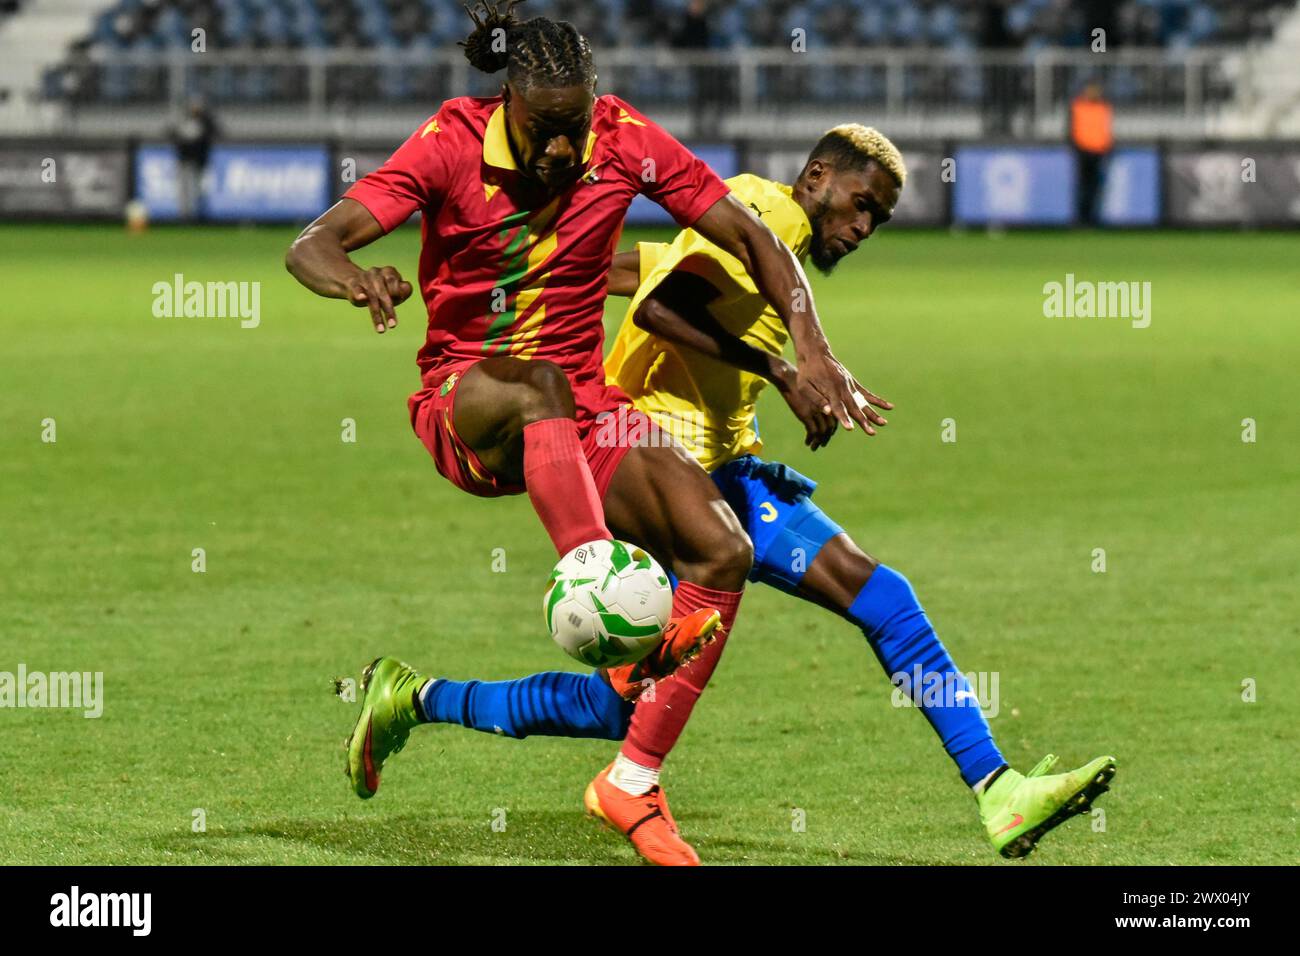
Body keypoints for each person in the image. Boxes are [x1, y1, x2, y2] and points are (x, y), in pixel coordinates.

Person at [377, 124, 1117, 865]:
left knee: (877, 602)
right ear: (819, 175)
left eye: (879, 220)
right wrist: (787, 371)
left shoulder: (760, 220)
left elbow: (642, 276)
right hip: (663, 479)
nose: (862, 228)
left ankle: (998, 789)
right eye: (859, 205)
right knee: (621, 699)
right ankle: (517, 738)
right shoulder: (773, 217)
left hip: (729, 470)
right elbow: (663, 307)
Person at [284, 1, 885, 802]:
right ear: (511, 105)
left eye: (578, 124)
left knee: (722, 547)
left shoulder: (623, 137)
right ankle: (593, 572)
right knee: (541, 386)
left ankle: (629, 774)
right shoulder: (449, 143)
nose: (565, 146)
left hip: (586, 413)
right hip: (472, 400)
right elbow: (311, 244)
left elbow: (753, 237)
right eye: (547, 128)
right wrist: (357, 279)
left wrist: (812, 348)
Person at [1070, 80, 1114, 225]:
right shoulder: (1078, 106)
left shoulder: (1104, 107)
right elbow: (1072, 130)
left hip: (1099, 152)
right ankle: (1081, 218)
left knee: (1096, 187)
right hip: (1083, 152)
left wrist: (1107, 147)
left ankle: (1093, 219)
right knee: (1083, 186)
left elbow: (1106, 129)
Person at [173, 97, 218, 223]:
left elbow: (216, 132)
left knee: (199, 190)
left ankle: (198, 215)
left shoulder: (206, 121)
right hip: (184, 160)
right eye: (193, 106)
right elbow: (173, 134)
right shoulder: (184, 120)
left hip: (199, 161)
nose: (195, 109)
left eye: (197, 106)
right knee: (184, 190)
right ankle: (184, 215)